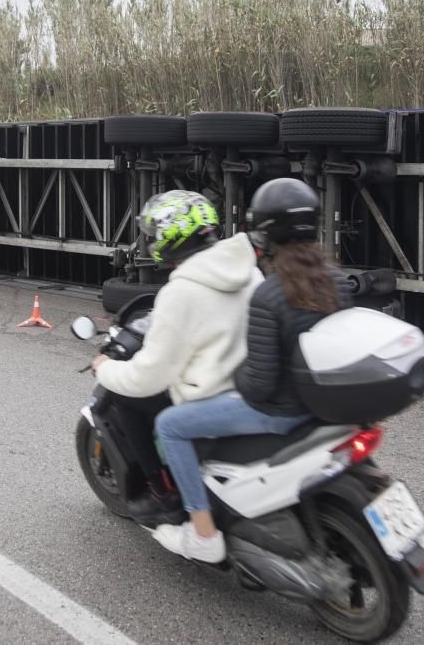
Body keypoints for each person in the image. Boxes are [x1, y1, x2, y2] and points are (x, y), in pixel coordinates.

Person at [149, 178, 352, 563]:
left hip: (279, 411)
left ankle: (203, 533)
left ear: (265, 228)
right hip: (321, 403)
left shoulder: (270, 293)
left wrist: (232, 375)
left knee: (169, 425)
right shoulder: (338, 281)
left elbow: (257, 386)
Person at [91, 189, 264, 551]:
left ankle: (163, 492)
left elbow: (147, 376)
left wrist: (106, 369)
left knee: (128, 397)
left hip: (213, 395)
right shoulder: (248, 269)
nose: (152, 239)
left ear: (170, 235)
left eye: (155, 232)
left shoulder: (182, 290)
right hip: (252, 383)